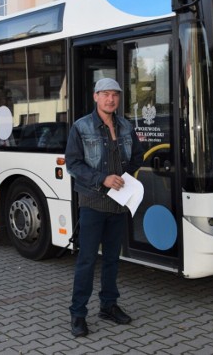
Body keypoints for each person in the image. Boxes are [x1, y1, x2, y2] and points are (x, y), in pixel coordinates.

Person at [65, 77, 144, 338]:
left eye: (115, 95)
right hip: (93, 203)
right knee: (87, 260)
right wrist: (103, 179)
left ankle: (108, 306)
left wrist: (125, 179)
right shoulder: (81, 127)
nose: (111, 99)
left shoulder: (125, 126)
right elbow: (73, 164)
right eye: (105, 94)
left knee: (112, 258)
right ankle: (78, 314)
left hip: (119, 205)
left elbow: (137, 157)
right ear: (96, 96)